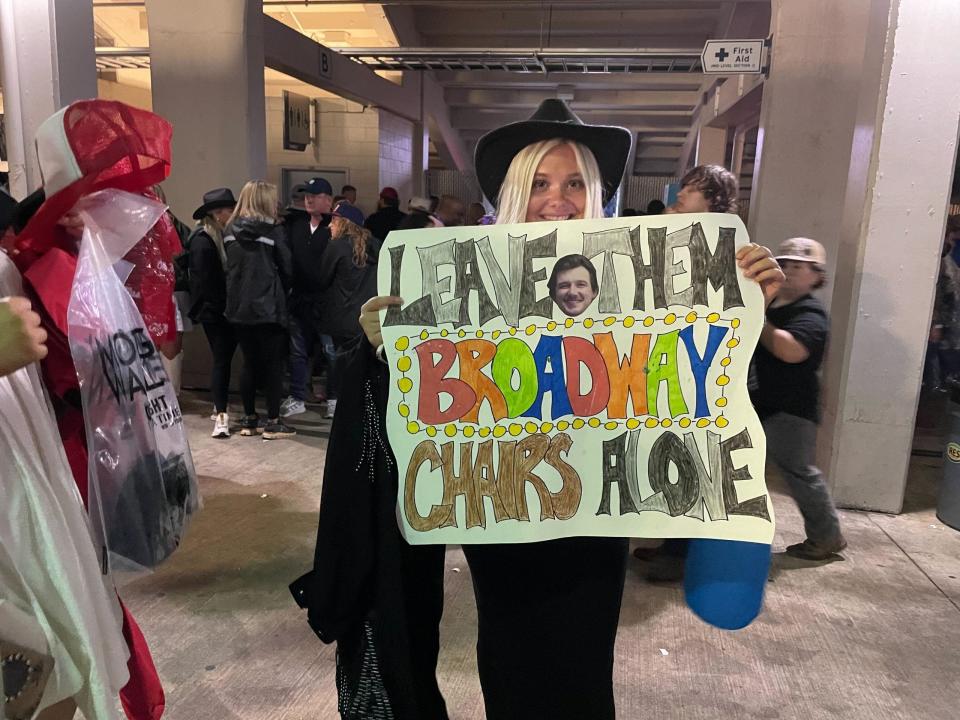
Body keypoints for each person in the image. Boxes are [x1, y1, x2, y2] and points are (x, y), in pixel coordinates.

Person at [352, 99, 783, 719]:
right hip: (502, 503)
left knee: (583, 663)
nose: (558, 199)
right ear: (514, 193)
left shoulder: (638, 274)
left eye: (575, 182)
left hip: (596, 509)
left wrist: (745, 299)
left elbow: (703, 374)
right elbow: (430, 398)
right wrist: (385, 350)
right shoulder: (459, 276)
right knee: (509, 656)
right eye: (541, 184)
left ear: (596, 192)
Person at [752, 237, 847, 560]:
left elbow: (790, 351)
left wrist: (757, 321)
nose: (790, 271)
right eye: (786, 264)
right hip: (764, 402)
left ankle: (827, 537)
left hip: (791, 408)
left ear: (816, 275)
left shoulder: (810, 313)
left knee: (799, 471)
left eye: (799, 266)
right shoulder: (775, 303)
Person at [223, 180, 296, 440]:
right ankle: (273, 422)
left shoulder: (229, 230)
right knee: (273, 365)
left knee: (249, 363)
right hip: (269, 307)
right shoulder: (274, 231)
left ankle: (249, 419)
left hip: (238, 307)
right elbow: (287, 269)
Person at [315, 201, 380, 418]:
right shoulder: (377, 246)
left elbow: (322, 279)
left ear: (343, 222)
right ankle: (362, 405)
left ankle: (338, 404)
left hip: (341, 318)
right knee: (364, 365)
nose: (329, 226)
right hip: (368, 319)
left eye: (333, 220)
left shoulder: (337, 247)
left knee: (338, 364)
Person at [187, 187, 238, 438]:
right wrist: (221, 310)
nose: (234, 215)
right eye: (230, 211)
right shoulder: (203, 242)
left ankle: (221, 408)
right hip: (215, 313)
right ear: (219, 214)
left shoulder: (215, 237)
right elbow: (205, 283)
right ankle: (221, 414)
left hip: (218, 311)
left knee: (223, 361)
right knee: (221, 362)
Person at [281, 177, 334, 418]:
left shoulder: (335, 227)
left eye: (315, 195)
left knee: (330, 351)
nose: (309, 199)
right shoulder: (295, 225)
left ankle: (334, 399)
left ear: (328, 200)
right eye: (307, 196)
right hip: (299, 301)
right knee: (298, 351)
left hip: (326, 302)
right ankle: (298, 396)